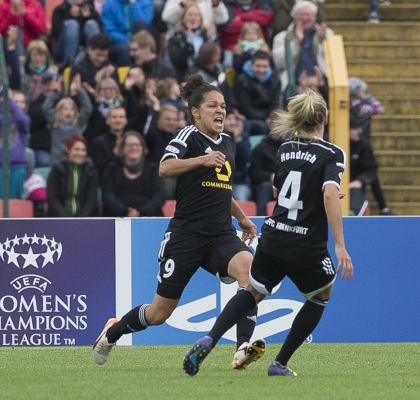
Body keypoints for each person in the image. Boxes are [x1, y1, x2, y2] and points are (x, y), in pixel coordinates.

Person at [92, 74, 261, 371]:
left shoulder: (228, 143)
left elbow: (221, 187)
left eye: (222, 105)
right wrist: (200, 160)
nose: (220, 110)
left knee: (250, 271)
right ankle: (113, 331)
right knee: (158, 314)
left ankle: (242, 348)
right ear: (196, 112)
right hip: (186, 236)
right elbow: (164, 168)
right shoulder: (187, 136)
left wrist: (242, 216)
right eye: (212, 106)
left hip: (221, 234)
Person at [182, 89, 354, 377]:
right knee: (321, 294)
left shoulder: (285, 147)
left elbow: (280, 191)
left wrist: (319, 194)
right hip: (305, 242)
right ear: (324, 117)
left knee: (252, 292)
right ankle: (280, 363)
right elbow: (327, 194)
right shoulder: (333, 153)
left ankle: (209, 339)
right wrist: (339, 245)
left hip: (273, 236)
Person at [272, 1, 332, 103]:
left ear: (314, 17)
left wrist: (324, 40)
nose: (305, 18)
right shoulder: (282, 37)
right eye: (301, 15)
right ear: (294, 16)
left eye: (308, 15)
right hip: (292, 84)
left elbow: (334, 60)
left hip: (320, 82)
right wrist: (296, 42)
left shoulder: (326, 34)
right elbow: (278, 62)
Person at [348, 76, 391, 215]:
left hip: (359, 146)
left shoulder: (350, 106)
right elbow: (379, 109)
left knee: (370, 173)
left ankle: (383, 206)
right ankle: (383, 207)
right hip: (362, 145)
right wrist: (365, 96)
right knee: (371, 175)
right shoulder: (362, 108)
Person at [100, 130, 166, 217]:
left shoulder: (153, 169)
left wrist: (141, 211)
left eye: (137, 145)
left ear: (143, 148)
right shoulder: (112, 169)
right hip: (118, 217)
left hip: (149, 217)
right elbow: (108, 196)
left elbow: (160, 196)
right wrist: (125, 211)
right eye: (130, 145)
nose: (134, 148)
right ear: (122, 148)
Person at [0, 63, 30, 199]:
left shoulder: (24, 119)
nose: (18, 105)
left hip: (17, 165)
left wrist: (11, 103)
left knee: (14, 200)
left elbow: (23, 121)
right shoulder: (0, 118)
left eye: (21, 102)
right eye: (16, 101)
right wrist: (1, 102)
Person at [42, 74, 93, 165]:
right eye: (65, 109)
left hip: (76, 159)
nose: (68, 112)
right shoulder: (55, 122)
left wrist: (80, 90)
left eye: (72, 109)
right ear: (59, 111)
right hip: (58, 161)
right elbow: (46, 108)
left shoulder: (78, 123)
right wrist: (54, 92)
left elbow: (87, 108)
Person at [47, 135, 99, 217]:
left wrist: (80, 219)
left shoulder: (91, 170)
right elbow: (52, 198)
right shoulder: (57, 169)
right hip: (59, 219)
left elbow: (92, 199)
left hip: (84, 221)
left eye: (83, 150)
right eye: (76, 149)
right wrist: (67, 218)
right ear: (68, 150)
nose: (80, 153)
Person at [232, 50, 281, 136]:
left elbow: (274, 104)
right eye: (258, 66)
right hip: (249, 118)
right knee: (261, 127)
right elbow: (245, 108)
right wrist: (266, 118)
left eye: (264, 66)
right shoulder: (242, 80)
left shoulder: (275, 80)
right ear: (251, 65)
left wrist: (271, 118)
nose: (261, 70)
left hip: (268, 117)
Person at [166, 1, 216, 82]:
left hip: (207, 77)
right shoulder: (175, 38)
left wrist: (212, 39)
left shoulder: (207, 36)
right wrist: (188, 44)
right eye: (189, 15)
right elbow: (176, 61)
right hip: (184, 78)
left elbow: (220, 57)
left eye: (196, 15)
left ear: (200, 18)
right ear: (183, 18)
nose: (193, 18)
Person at [249, 108, 285, 215]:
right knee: (265, 187)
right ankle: (262, 221)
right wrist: (271, 176)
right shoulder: (260, 148)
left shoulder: (292, 148)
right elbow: (254, 175)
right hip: (267, 185)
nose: (282, 130)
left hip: (288, 182)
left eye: (284, 126)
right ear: (270, 124)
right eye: (278, 125)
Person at [217, 0, 274, 69]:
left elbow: (266, 18)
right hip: (233, 47)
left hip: (258, 45)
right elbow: (229, 25)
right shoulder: (226, 3)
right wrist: (254, 23)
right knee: (228, 64)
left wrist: (241, 17)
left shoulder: (261, 2)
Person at [101, 0, 153, 66]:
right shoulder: (108, 4)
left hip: (140, 40)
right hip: (117, 43)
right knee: (124, 50)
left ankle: (147, 69)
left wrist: (133, 5)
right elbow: (110, 31)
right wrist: (128, 41)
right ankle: (125, 75)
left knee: (140, 24)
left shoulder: (145, 3)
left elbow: (144, 25)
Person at [51, 0, 103, 66]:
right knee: (72, 24)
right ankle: (69, 65)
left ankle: (95, 62)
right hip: (63, 50)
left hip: (86, 49)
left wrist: (87, 18)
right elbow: (55, 33)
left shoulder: (90, 9)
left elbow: (101, 33)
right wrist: (70, 16)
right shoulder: (60, 9)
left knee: (91, 24)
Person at [91, 105, 129, 177]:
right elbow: (100, 170)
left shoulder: (132, 141)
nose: (118, 120)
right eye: (114, 117)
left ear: (126, 121)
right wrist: (115, 154)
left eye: (121, 117)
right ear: (107, 120)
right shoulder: (98, 143)